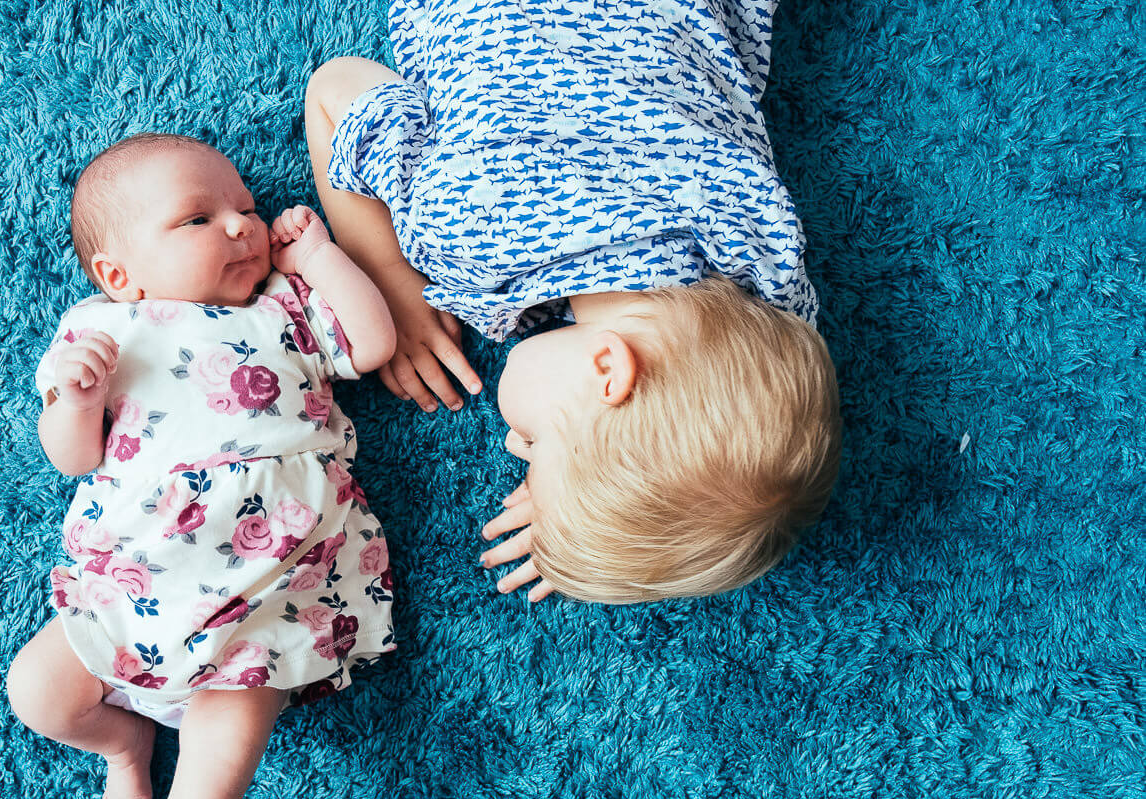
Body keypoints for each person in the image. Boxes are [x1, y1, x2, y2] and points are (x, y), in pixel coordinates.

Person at [304, 0, 842, 604]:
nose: (517, 446)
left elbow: (778, 375)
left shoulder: (764, 261)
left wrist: (591, 492)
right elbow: (333, 88)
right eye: (537, 451)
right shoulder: (468, 229)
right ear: (607, 368)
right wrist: (391, 276)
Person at [8, 133, 397, 799]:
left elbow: (373, 344)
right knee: (37, 692)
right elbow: (71, 457)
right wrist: (76, 404)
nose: (240, 227)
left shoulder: (284, 308)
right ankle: (123, 742)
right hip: (145, 573)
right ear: (120, 274)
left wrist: (321, 259)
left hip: (277, 571)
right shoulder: (102, 326)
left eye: (247, 209)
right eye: (199, 218)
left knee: (229, 738)